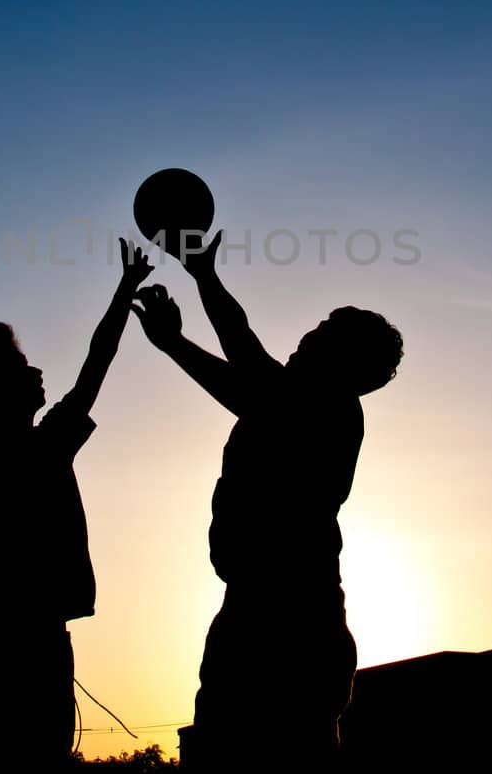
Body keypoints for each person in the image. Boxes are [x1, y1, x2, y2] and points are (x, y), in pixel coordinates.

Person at [130, 231, 403, 771]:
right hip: (259, 610)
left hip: (291, 623)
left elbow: (245, 355)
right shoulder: (285, 407)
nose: (309, 333)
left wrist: (204, 275)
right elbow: (240, 386)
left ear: (346, 365)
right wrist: (173, 344)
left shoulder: (330, 410)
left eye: (326, 334)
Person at [0, 240, 153, 770]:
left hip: (23, 646)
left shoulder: (6, 463)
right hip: (12, 651)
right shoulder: (27, 456)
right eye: (22, 365)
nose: (37, 371)